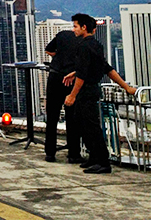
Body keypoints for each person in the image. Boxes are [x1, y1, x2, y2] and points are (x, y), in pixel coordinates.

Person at [64, 13, 137, 174]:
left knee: (90, 126)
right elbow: (106, 68)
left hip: (86, 91)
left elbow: (84, 74)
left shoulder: (83, 46)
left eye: (75, 26)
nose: (73, 30)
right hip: (92, 89)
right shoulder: (96, 45)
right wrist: (126, 87)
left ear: (84, 27)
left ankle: (103, 161)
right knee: (82, 123)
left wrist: (72, 95)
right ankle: (95, 157)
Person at [43, 30, 82, 163]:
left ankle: (50, 153)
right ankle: (74, 154)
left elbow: (48, 50)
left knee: (52, 117)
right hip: (71, 78)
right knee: (72, 118)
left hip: (55, 76)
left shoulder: (61, 35)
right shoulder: (82, 40)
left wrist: (58, 56)